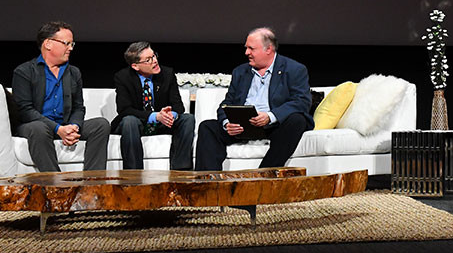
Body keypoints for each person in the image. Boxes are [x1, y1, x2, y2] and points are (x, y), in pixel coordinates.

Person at [195, 27, 313, 171]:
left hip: (274, 126)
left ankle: (263, 175)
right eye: (246, 48)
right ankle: (209, 182)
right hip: (243, 126)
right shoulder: (240, 71)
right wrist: (227, 123)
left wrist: (270, 116)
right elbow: (227, 103)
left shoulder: (294, 69)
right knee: (207, 127)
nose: (246, 53)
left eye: (251, 49)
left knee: (297, 120)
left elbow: (302, 101)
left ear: (268, 49)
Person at [11, 21, 110, 171]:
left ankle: (93, 184)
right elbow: (25, 111)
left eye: (72, 44)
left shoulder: (74, 72)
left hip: (64, 125)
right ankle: (56, 185)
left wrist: (74, 127)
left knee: (100, 125)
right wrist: (57, 129)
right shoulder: (24, 72)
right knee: (38, 128)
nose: (70, 48)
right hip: (36, 126)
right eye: (66, 43)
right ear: (48, 44)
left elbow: (78, 107)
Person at [110, 42, 195, 170]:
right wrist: (155, 116)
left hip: (162, 123)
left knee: (187, 119)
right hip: (138, 124)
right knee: (129, 121)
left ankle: (180, 173)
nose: (155, 61)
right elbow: (124, 109)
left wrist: (169, 115)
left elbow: (178, 106)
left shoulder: (167, 73)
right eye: (148, 60)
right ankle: (134, 177)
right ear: (135, 66)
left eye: (154, 56)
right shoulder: (123, 77)